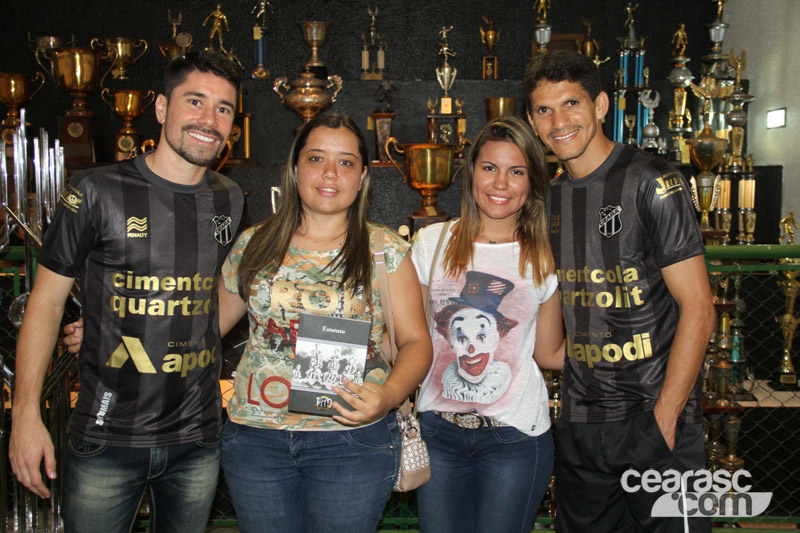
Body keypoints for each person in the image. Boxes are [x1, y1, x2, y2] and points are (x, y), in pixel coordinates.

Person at [9, 50, 245, 533]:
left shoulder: (230, 196)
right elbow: (46, 302)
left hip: (197, 441)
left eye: (223, 108)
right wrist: (25, 416)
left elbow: (216, 296)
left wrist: (154, 335)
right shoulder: (94, 190)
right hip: (105, 437)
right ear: (161, 108)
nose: (209, 119)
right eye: (195, 101)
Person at [525, 50, 716, 532]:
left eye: (571, 104)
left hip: (655, 417)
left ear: (602, 105)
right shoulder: (550, 198)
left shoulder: (652, 180)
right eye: (544, 110)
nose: (558, 121)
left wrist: (667, 415)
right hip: (582, 426)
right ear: (531, 119)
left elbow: (699, 307)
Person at [216, 113, 432, 533]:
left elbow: (417, 343)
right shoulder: (253, 243)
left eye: (346, 162)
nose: (330, 173)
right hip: (255, 439)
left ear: (363, 175)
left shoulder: (385, 248)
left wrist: (387, 395)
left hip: (350, 441)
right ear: (295, 169)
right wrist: (108, 331)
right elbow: (203, 329)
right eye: (316, 158)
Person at [411, 116, 565, 533]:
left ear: (532, 181)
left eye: (516, 171)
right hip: (438, 434)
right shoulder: (432, 243)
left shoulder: (545, 255)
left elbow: (549, 353)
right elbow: (407, 340)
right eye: (490, 168)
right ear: (472, 173)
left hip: (514, 437)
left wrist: (626, 351)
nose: (501, 183)